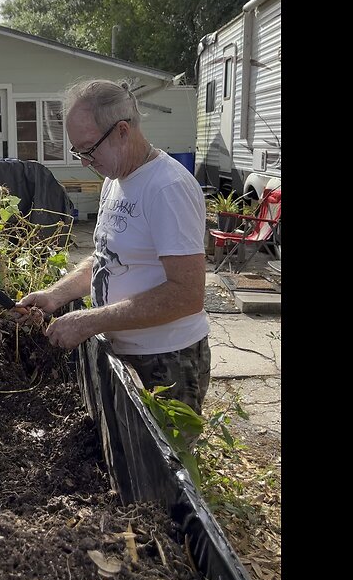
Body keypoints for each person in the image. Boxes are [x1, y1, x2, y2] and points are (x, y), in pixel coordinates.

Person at [12, 78, 211, 416]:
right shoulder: (115, 179)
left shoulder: (167, 187)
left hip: (166, 363)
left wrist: (89, 321)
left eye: (89, 149)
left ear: (122, 131)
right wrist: (56, 295)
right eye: (78, 151)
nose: (85, 161)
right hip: (124, 353)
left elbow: (186, 294)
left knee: (162, 464)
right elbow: (106, 258)